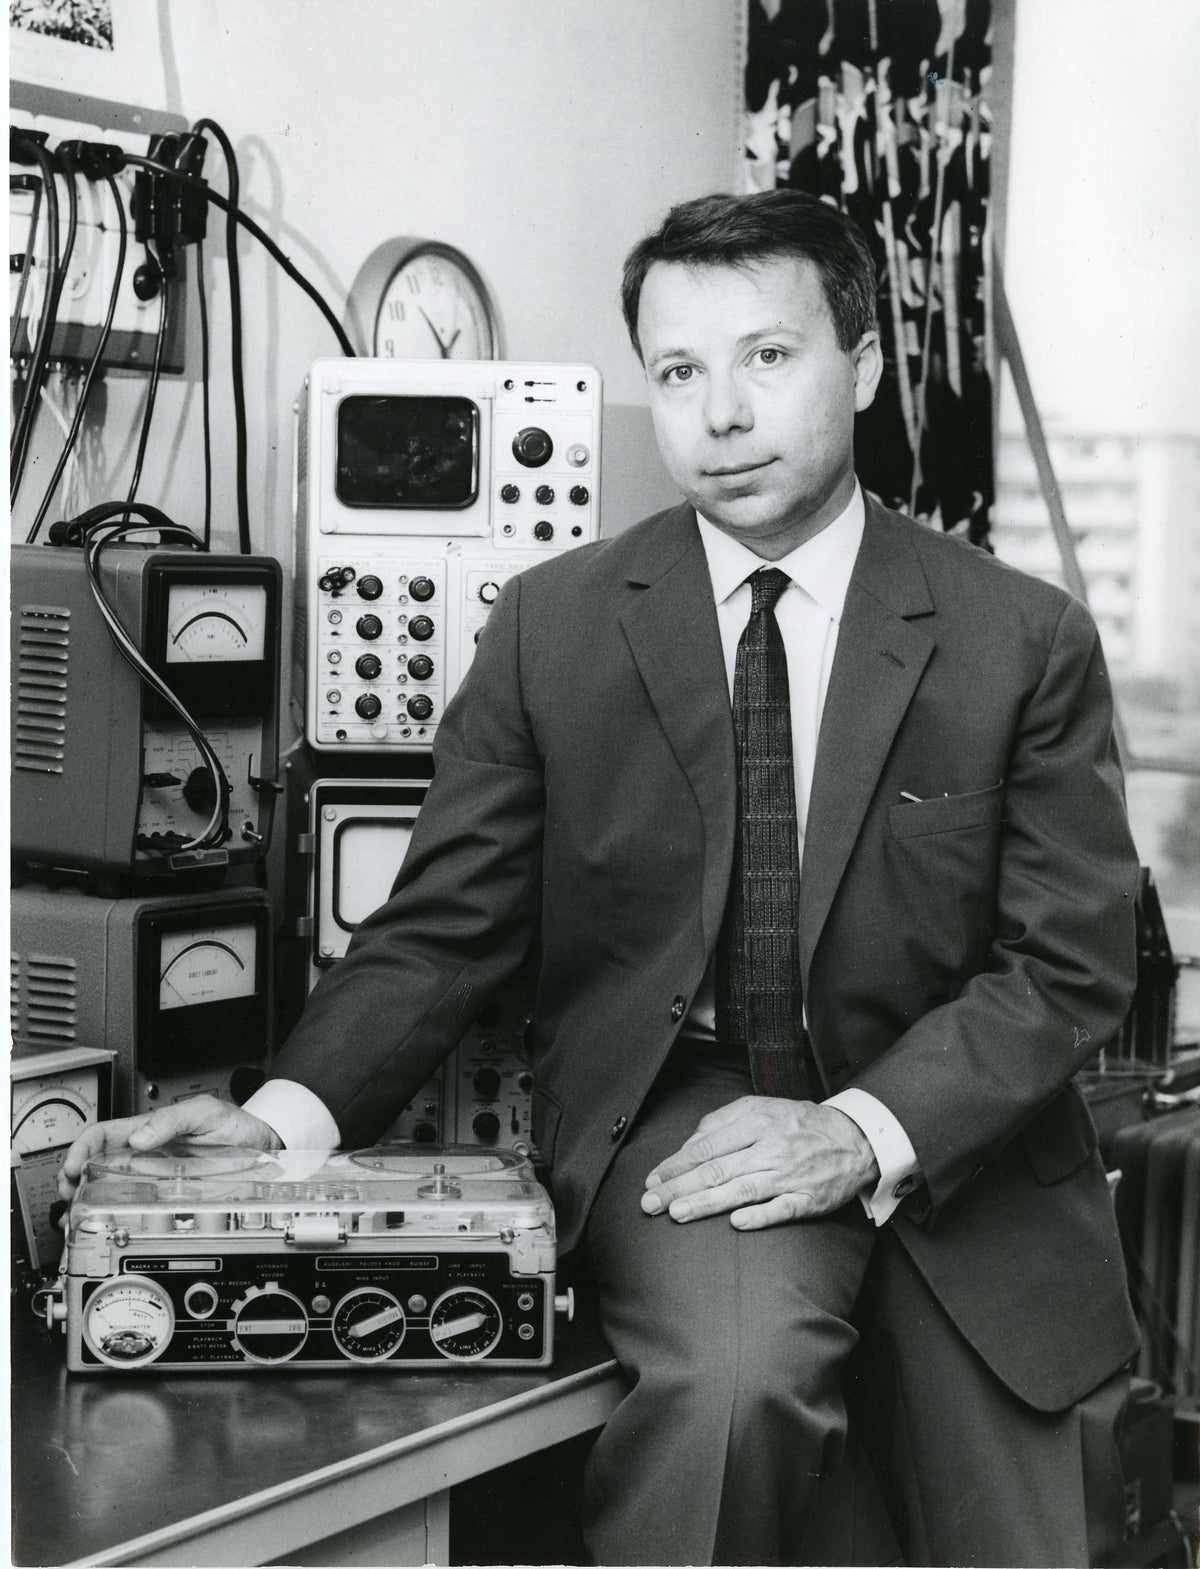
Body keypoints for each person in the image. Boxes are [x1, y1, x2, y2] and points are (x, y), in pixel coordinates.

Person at [62, 190, 1140, 1568]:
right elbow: (444, 928)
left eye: (768, 357)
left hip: (953, 1134)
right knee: (730, 1397)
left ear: (862, 364)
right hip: (683, 1108)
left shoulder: (1021, 639)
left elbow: (1065, 964)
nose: (722, 414)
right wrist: (278, 1123)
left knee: (1019, 1529)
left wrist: (860, 1127)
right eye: (679, 373)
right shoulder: (552, 629)